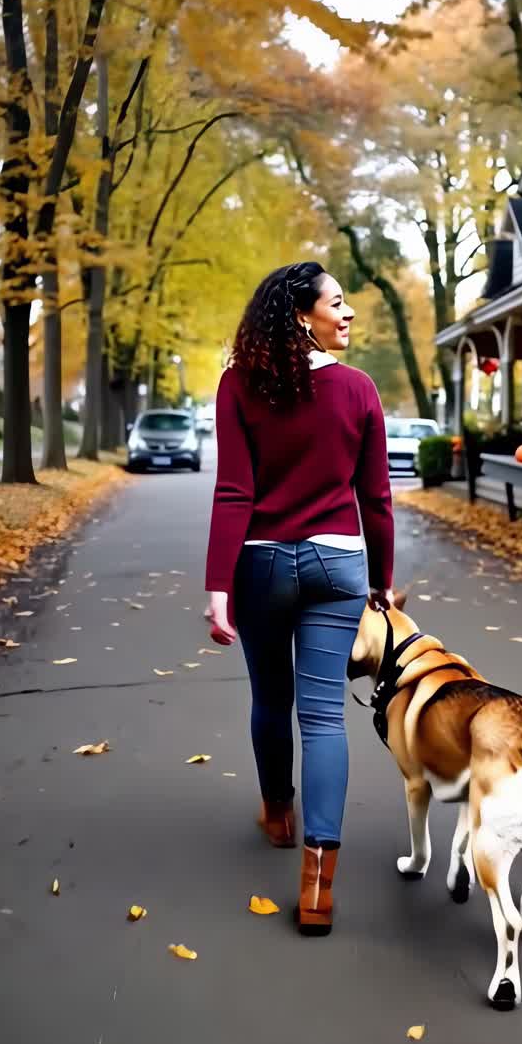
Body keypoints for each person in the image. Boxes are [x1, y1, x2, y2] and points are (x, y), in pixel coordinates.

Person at [205, 261, 394, 936]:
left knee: (269, 700)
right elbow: (375, 498)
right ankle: (318, 882)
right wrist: (383, 579)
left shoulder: (239, 387)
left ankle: (278, 813)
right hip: (338, 565)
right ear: (301, 317)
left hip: (260, 564)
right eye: (336, 304)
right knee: (322, 719)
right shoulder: (358, 390)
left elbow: (234, 492)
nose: (347, 315)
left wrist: (218, 586)